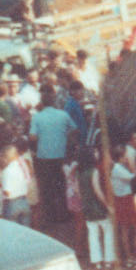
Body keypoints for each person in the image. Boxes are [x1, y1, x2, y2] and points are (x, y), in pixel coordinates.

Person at [28, 86, 76, 223]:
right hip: (61, 155)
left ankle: (51, 217)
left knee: (48, 188)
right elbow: (74, 130)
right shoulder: (63, 115)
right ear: (54, 102)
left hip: (44, 158)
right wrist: (62, 136)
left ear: (42, 103)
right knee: (62, 186)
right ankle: (65, 214)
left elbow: (32, 137)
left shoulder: (37, 117)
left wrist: (44, 137)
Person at [78, 147, 116, 270]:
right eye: (95, 152)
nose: (97, 153)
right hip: (97, 207)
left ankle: (96, 261)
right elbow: (97, 190)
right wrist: (107, 205)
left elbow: (79, 192)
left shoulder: (80, 173)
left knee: (93, 234)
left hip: (87, 207)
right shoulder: (94, 171)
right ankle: (108, 259)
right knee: (107, 231)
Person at [109, 145, 136, 269]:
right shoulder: (119, 169)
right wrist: (132, 165)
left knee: (125, 230)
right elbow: (134, 178)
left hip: (119, 200)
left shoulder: (115, 168)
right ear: (121, 157)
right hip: (127, 199)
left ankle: (129, 258)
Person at [0, 144, 31, 224]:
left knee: (12, 231)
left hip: (12, 203)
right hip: (24, 201)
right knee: (25, 229)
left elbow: (7, 191)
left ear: (5, 158)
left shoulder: (7, 171)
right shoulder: (21, 167)